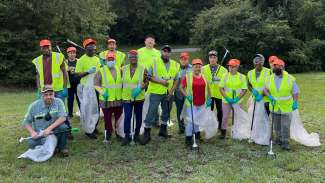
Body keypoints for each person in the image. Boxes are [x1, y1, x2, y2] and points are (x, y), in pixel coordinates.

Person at [32, 39, 72, 139]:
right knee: (44, 110)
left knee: (61, 110)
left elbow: (64, 72)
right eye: (44, 47)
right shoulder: (37, 60)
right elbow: (37, 75)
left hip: (58, 89)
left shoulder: (58, 57)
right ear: (41, 48)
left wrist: (65, 87)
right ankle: (45, 129)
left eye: (48, 46)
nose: (46, 49)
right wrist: (38, 89)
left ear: (50, 47)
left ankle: (67, 130)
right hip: (44, 90)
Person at [141, 45, 180, 145]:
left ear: (170, 53)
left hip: (169, 92)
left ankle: (163, 130)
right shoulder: (154, 62)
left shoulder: (175, 64)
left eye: (168, 52)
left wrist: (171, 92)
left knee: (167, 111)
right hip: (155, 92)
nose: (166, 53)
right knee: (152, 111)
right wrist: (161, 82)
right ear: (161, 52)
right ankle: (147, 133)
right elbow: (148, 76)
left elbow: (176, 79)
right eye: (164, 51)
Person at [21, 85, 69, 156]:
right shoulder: (34, 106)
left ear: (54, 94)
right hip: (41, 134)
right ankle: (52, 146)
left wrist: (49, 129)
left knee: (63, 127)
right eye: (46, 95)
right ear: (41, 95)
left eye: (51, 94)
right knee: (31, 144)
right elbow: (26, 122)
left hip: (54, 131)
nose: (49, 97)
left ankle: (62, 147)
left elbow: (63, 117)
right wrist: (32, 132)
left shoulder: (59, 102)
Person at [264, 58, 300, 150]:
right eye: (274, 66)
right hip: (274, 106)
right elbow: (265, 89)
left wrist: (295, 102)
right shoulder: (269, 78)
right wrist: (270, 97)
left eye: (278, 66)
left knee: (285, 125)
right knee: (276, 125)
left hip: (286, 106)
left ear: (282, 67)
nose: (275, 68)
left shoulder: (290, 79)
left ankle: (285, 142)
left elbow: (295, 92)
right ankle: (278, 140)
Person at [180, 58, 212, 148]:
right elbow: (181, 87)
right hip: (191, 103)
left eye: (199, 66)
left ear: (201, 67)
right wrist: (187, 95)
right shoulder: (188, 76)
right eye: (195, 66)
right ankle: (188, 139)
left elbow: (208, 88)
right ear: (192, 67)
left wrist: (209, 98)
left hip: (202, 103)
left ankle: (197, 135)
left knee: (198, 120)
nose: (197, 68)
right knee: (191, 122)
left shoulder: (204, 76)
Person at [120, 50, 148, 145]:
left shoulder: (143, 68)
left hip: (139, 97)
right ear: (129, 58)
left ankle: (136, 135)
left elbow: (147, 81)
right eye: (131, 57)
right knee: (127, 116)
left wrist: (140, 88)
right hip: (126, 97)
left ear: (137, 58)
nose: (133, 59)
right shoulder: (123, 69)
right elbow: (119, 83)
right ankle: (127, 136)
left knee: (138, 116)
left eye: (135, 57)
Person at [75, 38, 101, 139]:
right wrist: (87, 72)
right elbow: (77, 75)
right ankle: (88, 130)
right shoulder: (81, 60)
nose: (93, 51)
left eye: (94, 49)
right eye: (90, 49)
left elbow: (99, 73)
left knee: (96, 108)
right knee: (87, 109)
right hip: (86, 89)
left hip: (96, 87)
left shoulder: (97, 59)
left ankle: (94, 126)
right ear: (86, 49)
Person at [94, 52, 123, 141]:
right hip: (106, 99)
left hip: (118, 98)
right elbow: (96, 84)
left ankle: (119, 132)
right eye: (109, 59)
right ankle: (109, 132)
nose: (111, 61)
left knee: (119, 117)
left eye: (112, 59)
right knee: (107, 118)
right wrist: (102, 92)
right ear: (106, 61)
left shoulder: (119, 69)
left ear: (115, 60)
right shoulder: (101, 70)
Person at [219, 59, 248, 139]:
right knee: (225, 117)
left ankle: (237, 131)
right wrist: (227, 98)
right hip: (226, 100)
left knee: (237, 117)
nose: (231, 68)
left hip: (237, 101)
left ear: (237, 67)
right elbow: (221, 88)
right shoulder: (225, 75)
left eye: (233, 67)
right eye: (229, 66)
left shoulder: (242, 77)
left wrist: (237, 99)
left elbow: (244, 89)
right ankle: (223, 132)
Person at [202, 50, 227, 135]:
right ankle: (209, 126)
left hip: (219, 94)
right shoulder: (203, 69)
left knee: (220, 111)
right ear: (208, 58)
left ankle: (220, 127)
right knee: (209, 110)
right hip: (208, 94)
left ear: (217, 58)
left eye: (214, 57)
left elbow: (226, 82)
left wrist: (219, 79)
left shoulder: (223, 70)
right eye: (211, 57)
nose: (212, 59)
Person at [174, 52, 192, 134]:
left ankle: (189, 126)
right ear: (180, 60)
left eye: (185, 59)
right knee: (179, 110)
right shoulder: (176, 68)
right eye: (182, 59)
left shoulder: (192, 68)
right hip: (178, 93)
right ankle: (181, 128)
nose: (184, 61)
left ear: (188, 60)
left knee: (189, 110)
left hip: (188, 93)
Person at [66, 47, 80, 119]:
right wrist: (67, 70)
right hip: (69, 84)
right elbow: (62, 73)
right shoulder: (65, 62)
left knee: (79, 98)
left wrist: (75, 70)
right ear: (68, 54)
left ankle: (82, 112)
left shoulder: (79, 61)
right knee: (70, 99)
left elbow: (82, 71)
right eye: (70, 53)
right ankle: (70, 114)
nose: (72, 54)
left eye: (73, 53)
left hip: (78, 83)